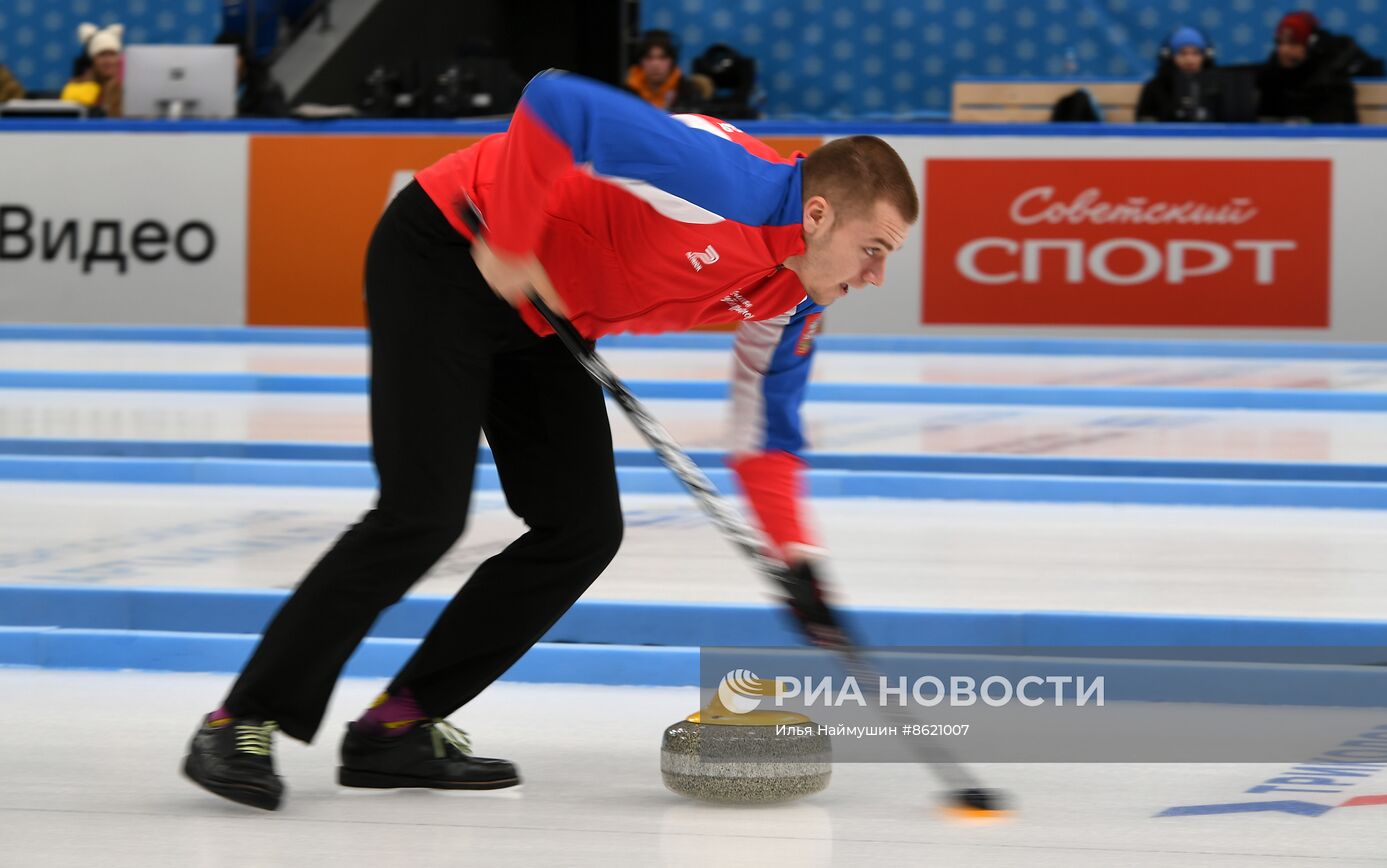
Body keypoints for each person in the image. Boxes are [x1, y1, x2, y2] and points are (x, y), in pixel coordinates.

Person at [182, 70, 918, 811]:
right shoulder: (721, 179)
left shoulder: (795, 294)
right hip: (450, 248)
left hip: (545, 315)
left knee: (582, 530)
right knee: (422, 514)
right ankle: (242, 719)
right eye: (874, 249)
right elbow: (555, 101)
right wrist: (512, 237)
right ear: (819, 215)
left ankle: (399, 724)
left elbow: (766, 433)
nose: (878, 275)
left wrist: (798, 558)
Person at [1256, 10, 1385, 123]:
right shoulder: (1271, 73)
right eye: (1280, 43)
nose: (1284, 50)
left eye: (1293, 43)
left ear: (1310, 44)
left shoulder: (1331, 71)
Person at [1136, 27, 1226, 122]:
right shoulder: (1154, 87)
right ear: (1169, 57)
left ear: (1206, 56)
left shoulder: (1217, 86)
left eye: (1196, 53)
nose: (1189, 60)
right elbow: (1145, 123)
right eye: (1182, 53)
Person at [624, 29, 710, 113]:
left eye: (662, 57)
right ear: (640, 61)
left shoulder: (689, 93)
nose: (655, 64)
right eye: (648, 57)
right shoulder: (625, 94)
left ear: (672, 61)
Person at [214, 31, 288, 117]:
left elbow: (276, 122)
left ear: (243, 58)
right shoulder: (212, 87)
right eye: (221, 59)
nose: (226, 64)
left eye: (231, 57)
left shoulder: (265, 88)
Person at [60, 23, 123, 118]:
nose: (108, 61)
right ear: (92, 60)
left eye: (112, 54)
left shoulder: (127, 88)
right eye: (102, 55)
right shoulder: (76, 86)